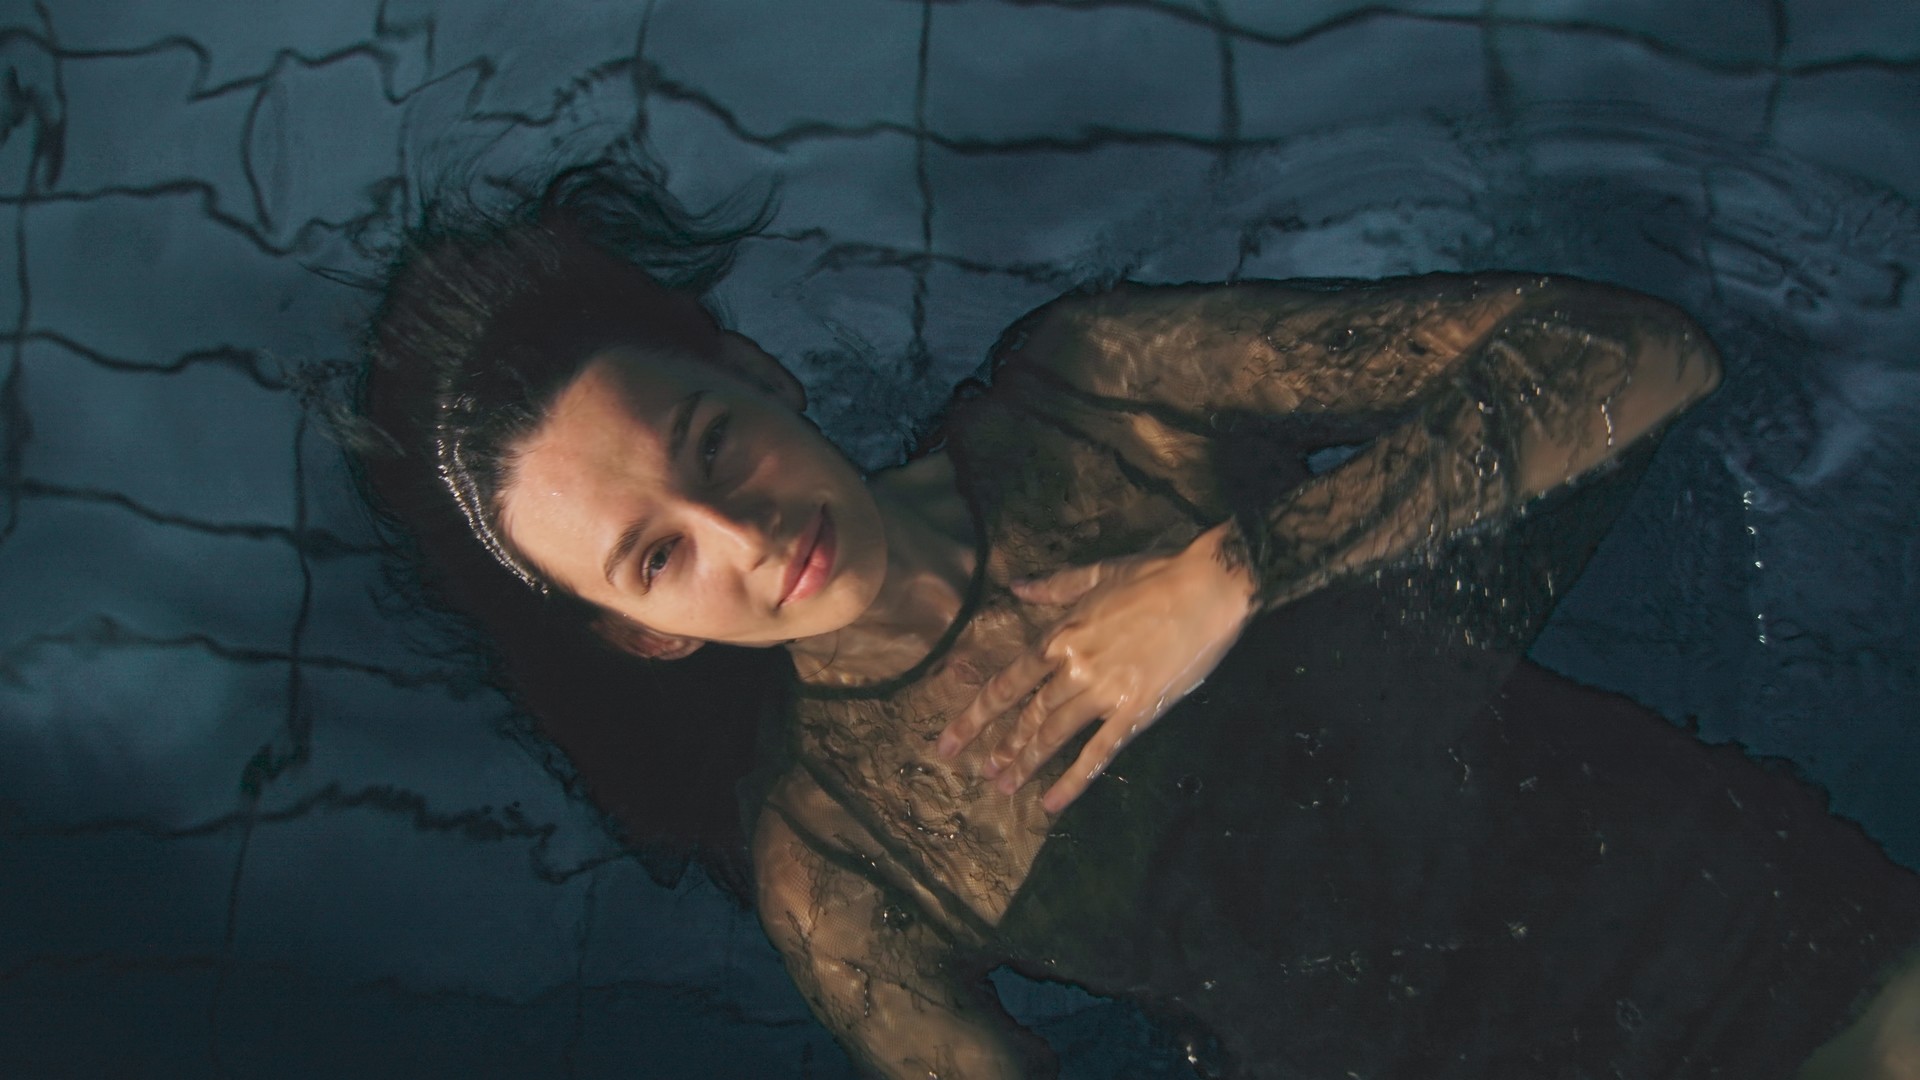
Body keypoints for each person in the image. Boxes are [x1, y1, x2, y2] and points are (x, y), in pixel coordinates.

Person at [351, 164, 1920, 1078]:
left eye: (710, 447)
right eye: (653, 560)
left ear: (755, 373)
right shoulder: (836, 861)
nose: (744, 535)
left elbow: (1641, 354)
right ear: (644, 637)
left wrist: (1231, 573)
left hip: (1751, 931)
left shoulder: (1098, 398)